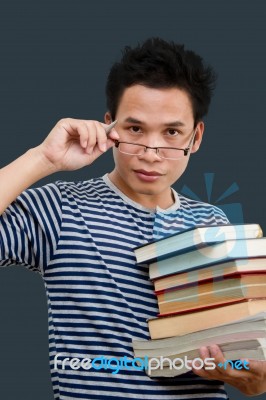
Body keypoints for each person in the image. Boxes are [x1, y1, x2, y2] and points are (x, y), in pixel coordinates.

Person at [0, 37, 265, 400]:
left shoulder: (214, 224)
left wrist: (250, 378)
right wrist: (42, 160)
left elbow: (250, 368)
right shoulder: (59, 208)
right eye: (135, 129)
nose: (150, 153)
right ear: (110, 125)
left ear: (196, 137)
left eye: (171, 132)